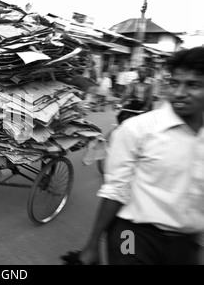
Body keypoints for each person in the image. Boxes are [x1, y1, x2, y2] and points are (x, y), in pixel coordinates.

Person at [68, 46, 204, 265]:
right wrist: (92, 244)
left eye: (193, 85)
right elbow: (115, 191)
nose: (179, 93)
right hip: (132, 235)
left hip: (184, 243)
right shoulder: (138, 129)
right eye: (175, 83)